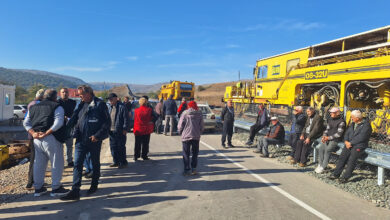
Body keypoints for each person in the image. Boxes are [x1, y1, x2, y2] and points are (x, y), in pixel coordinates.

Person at [61, 85, 110, 201]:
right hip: (80, 140)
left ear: (89, 93)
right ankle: (75, 190)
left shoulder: (100, 104)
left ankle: (94, 185)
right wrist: (64, 130)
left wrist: (97, 135)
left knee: (95, 163)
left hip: (94, 140)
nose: (80, 97)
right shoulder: (81, 104)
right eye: (79, 95)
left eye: (81, 94)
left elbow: (107, 123)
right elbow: (74, 119)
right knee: (77, 164)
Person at [23, 89, 69, 197]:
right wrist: (47, 133)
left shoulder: (33, 107)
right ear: (55, 97)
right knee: (56, 163)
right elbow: (58, 123)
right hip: (51, 137)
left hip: (37, 139)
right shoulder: (57, 106)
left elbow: (26, 122)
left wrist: (33, 133)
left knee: (38, 163)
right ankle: (56, 188)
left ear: (44, 96)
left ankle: (38, 189)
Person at [329, 110, 372, 183]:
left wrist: (351, 143)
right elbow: (347, 133)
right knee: (342, 158)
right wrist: (346, 141)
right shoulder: (353, 124)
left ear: (357, 118)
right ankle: (336, 174)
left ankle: (345, 177)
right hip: (348, 144)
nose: (351, 118)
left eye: (352, 117)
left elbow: (362, 137)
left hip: (359, 145)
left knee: (351, 160)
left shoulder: (366, 125)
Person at [315, 107, 346, 174]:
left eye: (332, 112)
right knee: (321, 148)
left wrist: (328, 138)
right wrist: (324, 136)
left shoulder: (341, 122)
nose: (331, 114)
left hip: (335, 140)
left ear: (337, 113)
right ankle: (320, 164)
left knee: (327, 150)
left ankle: (323, 167)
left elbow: (339, 134)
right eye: (330, 112)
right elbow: (327, 130)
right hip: (327, 138)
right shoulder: (330, 119)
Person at [25, 89, 45, 189]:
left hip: (32, 135)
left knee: (33, 159)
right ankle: (32, 181)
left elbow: (26, 121)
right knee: (37, 159)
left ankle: (31, 181)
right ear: (42, 96)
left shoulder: (31, 104)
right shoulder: (39, 105)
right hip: (38, 135)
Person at [178, 101, 204, 176]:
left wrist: (180, 132)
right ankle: (194, 169)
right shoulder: (199, 113)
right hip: (196, 136)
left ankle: (186, 170)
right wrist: (200, 132)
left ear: (188, 106)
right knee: (195, 153)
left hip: (186, 137)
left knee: (186, 154)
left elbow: (180, 125)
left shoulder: (185, 113)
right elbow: (202, 125)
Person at [107, 93, 130, 169]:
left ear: (116, 98)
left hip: (120, 131)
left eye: (111, 99)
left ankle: (123, 162)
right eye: (109, 99)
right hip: (111, 131)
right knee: (113, 147)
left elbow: (126, 119)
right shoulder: (110, 107)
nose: (110, 101)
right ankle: (116, 161)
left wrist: (125, 129)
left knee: (121, 147)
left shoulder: (122, 107)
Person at [58, 88, 77, 167]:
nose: (64, 93)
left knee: (69, 145)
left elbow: (75, 113)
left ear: (68, 93)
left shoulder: (73, 102)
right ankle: (60, 161)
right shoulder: (57, 103)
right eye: (63, 92)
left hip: (69, 126)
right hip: (59, 127)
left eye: (66, 92)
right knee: (59, 146)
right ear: (60, 93)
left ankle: (69, 160)